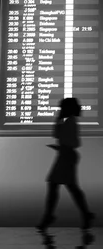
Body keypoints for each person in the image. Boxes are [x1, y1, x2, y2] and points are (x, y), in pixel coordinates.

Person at [36, 97, 95, 232]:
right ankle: (86, 214)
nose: (60, 110)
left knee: (56, 186)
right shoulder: (69, 121)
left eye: (62, 108)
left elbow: (72, 141)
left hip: (66, 156)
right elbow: (58, 135)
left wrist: (62, 147)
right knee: (70, 187)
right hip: (65, 156)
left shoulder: (71, 122)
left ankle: (49, 216)